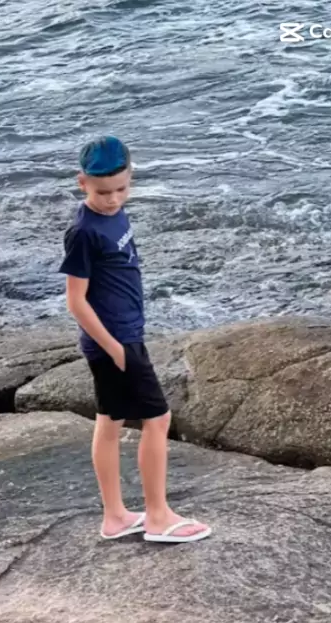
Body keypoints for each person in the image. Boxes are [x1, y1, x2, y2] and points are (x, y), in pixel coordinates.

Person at [59, 135, 211, 543]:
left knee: (109, 421)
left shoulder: (116, 213)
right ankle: (158, 516)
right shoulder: (83, 232)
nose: (113, 199)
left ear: (130, 178)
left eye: (121, 189)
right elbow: (75, 301)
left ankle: (115, 517)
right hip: (115, 341)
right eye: (102, 192)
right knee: (158, 419)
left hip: (125, 335)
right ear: (82, 183)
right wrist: (115, 349)